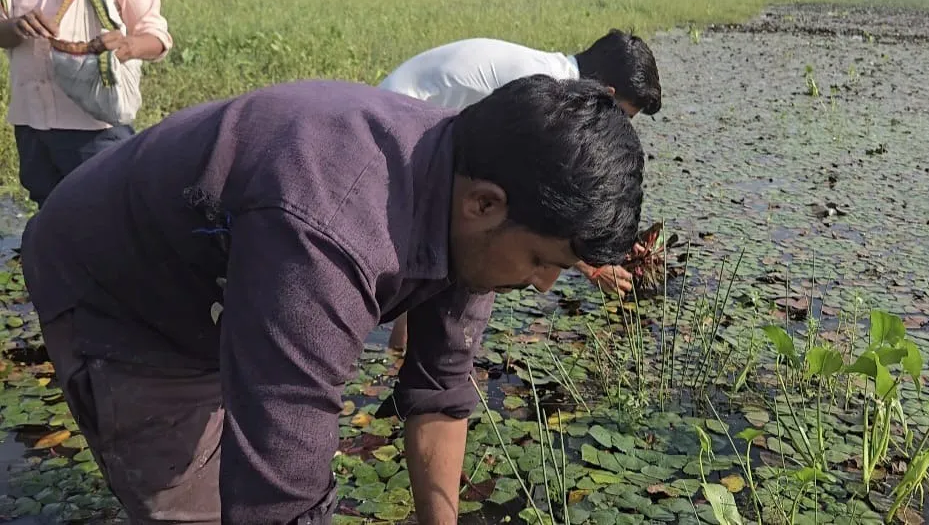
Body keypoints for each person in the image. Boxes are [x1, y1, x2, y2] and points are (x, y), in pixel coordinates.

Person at [21, 74, 645, 524]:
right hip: (118, 284)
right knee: (193, 507)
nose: (543, 285)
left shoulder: (476, 208)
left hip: (238, 267)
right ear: (484, 203)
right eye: (542, 262)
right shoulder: (330, 229)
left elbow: (442, 389)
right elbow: (279, 482)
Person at [380, 28, 661, 349]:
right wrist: (591, 266)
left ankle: (400, 349)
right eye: (623, 115)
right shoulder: (545, 100)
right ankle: (406, 346)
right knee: (466, 250)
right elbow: (535, 203)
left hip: (423, 136)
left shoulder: (555, 82)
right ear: (608, 93)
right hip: (398, 142)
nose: (618, 127)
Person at [0, 0, 172, 208]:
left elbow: (157, 36)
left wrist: (128, 46)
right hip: (31, 119)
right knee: (48, 213)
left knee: (106, 216)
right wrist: (15, 27)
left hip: (95, 124)